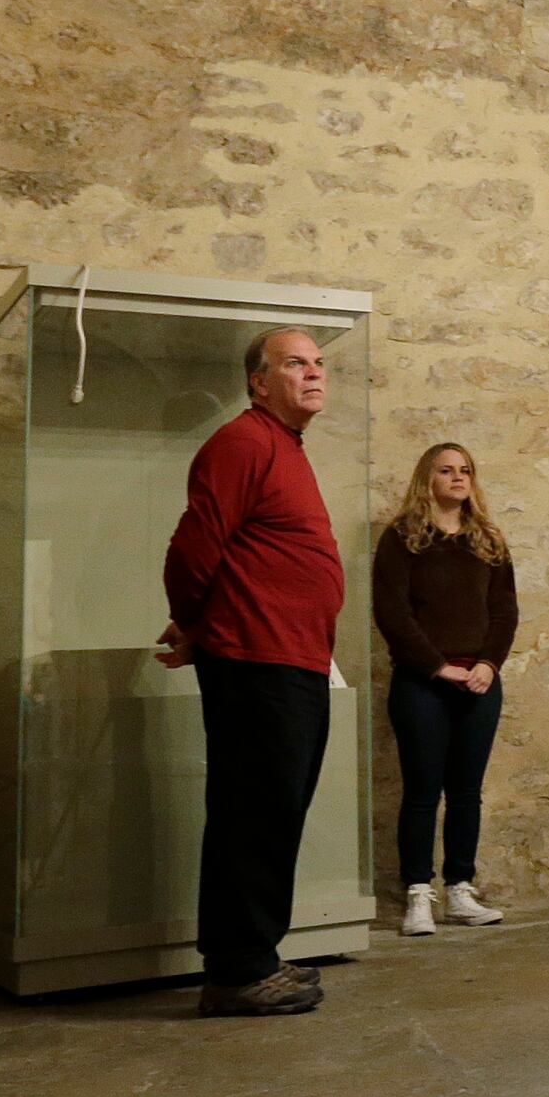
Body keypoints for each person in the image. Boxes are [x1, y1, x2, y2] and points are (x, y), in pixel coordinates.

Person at [158, 326, 348, 1016]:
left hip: (292, 659)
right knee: (253, 815)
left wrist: (201, 625)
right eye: (295, 363)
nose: (313, 373)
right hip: (259, 661)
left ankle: (255, 955)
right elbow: (193, 548)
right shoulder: (244, 442)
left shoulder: (285, 449)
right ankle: (237, 970)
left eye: (319, 363)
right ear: (258, 382)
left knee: (275, 812)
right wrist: (197, 622)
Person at [373, 443, 518, 937]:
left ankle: (460, 887)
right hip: (423, 684)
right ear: (427, 478)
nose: (458, 478)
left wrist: (488, 664)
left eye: (466, 471)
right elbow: (393, 613)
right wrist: (436, 667)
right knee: (421, 792)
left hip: (478, 683)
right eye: (446, 470)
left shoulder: (488, 541)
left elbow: (504, 611)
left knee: (466, 793)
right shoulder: (402, 538)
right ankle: (417, 894)